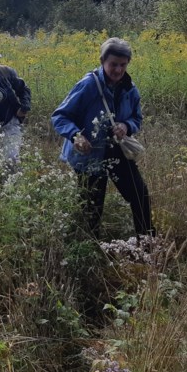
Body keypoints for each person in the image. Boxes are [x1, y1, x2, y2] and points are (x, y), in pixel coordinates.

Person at [51, 37, 155, 238]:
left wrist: (126, 125)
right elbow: (60, 116)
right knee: (92, 207)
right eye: (113, 64)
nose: (118, 70)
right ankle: (91, 248)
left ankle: (148, 243)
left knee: (139, 195)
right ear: (102, 61)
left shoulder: (129, 88)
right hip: (89, 154)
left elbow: (137, 118)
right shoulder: (89, 85)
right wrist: (76, 136)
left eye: (122, 65)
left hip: (117, 151)